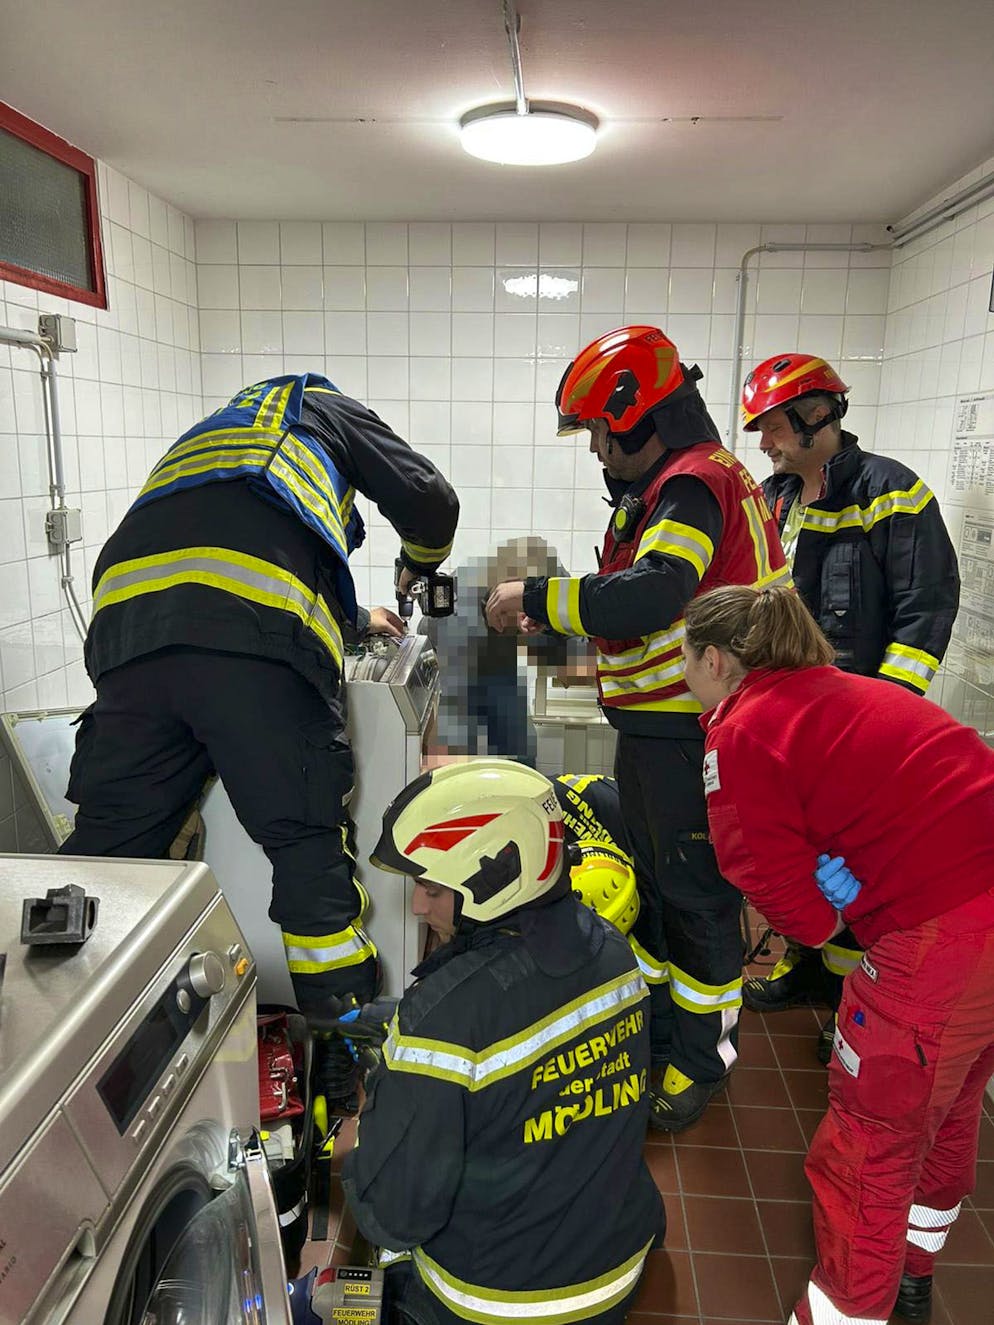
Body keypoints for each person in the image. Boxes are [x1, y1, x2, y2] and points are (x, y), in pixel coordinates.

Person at [60, 371, 459, 1108]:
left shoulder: (214, 440)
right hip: (248, 641)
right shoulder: (316, 404)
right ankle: (342, 1046)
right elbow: (431, 499)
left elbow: (218, 574)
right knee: (305, 847)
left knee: (110, 857)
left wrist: (347, 619)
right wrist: (421, 564)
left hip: (126, 626)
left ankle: (67, 1047)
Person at [486, 325, 790, 1130]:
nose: (594, 449)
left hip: (695, 736)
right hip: (666, 732)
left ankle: (702, 1059)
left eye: (596, 430)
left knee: (695, 900)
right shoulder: (691, 485)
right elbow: (651, 606)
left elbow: (655, 592)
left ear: (636, 413)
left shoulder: (692, 485)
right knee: (661, 891)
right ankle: (665, 1033)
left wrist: (537, 596)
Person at [681, 584, 994, 1325]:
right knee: (946, 1113)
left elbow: (782, 895)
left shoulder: (743, 731)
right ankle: (912, 1278)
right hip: (973, 900)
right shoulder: (836, 689)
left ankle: (850, 1312)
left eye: (685, 656)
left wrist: (832, 920)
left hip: (945, 933)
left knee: (869, 1143)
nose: (680, 670)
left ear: (716, 659)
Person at [337, 759, 664, 1325]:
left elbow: (397, 1213)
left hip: (496, 1302)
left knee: (338, 1300)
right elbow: (529, 1021)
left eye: (432, 887)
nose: (418, 905)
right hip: (616, 1265)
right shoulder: (612, 950)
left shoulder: (442, 1017)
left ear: (495, 879)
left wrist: (355, 1146)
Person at [739, 354, 961, 1061]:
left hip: (859, 728)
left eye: (772, 424)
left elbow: (926, 608)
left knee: (860, 868)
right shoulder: (774, 498)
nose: (765, 441)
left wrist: (884, 719)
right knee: (808, 855)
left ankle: (853, 1001)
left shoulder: (891, 491)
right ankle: (810, 968)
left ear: (814, 414)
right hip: (792, 720)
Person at [419, 536, 575, 766]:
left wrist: (559, 640)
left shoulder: (550, 576)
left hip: (500, 657)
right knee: (455, 746)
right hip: (457, 647)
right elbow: (455, 723)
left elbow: (574, 619)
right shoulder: (458, 611)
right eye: (499, 618)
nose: (503, 623)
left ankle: (522, 789)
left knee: (519, 746)